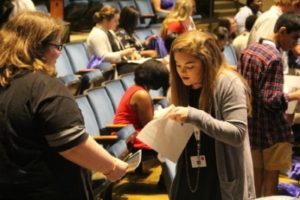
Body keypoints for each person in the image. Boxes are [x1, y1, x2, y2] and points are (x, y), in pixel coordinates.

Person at [0, 11, 128, 200]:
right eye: (57, 45)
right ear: (36, 46)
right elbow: (72, 145)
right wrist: (111, 166)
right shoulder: (44, 87)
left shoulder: (6, 83)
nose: (60, 52)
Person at [167, 30, 255, 200]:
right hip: (188, 172)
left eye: (190, 66)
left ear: (207, 62)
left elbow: (237, 133)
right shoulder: (178, 88)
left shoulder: (229, 83)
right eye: (178, 65)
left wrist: (195, 115)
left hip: (220, 177)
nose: (182, 71)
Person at [237, 13, 300, 197]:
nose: (295, 43)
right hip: (271, 130)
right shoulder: (274, 57)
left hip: (252, 126)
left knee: (255, 180)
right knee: (271, 184)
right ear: (282, 31)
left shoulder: (250, 50)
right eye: (295, 37)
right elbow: (271, 100)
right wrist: (295, 95)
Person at [114, 59, 169, 150]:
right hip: (129, 136)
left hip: (132, 132)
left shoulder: (136, 88)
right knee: (169, 140)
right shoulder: (142, 95)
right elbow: (149, 126)